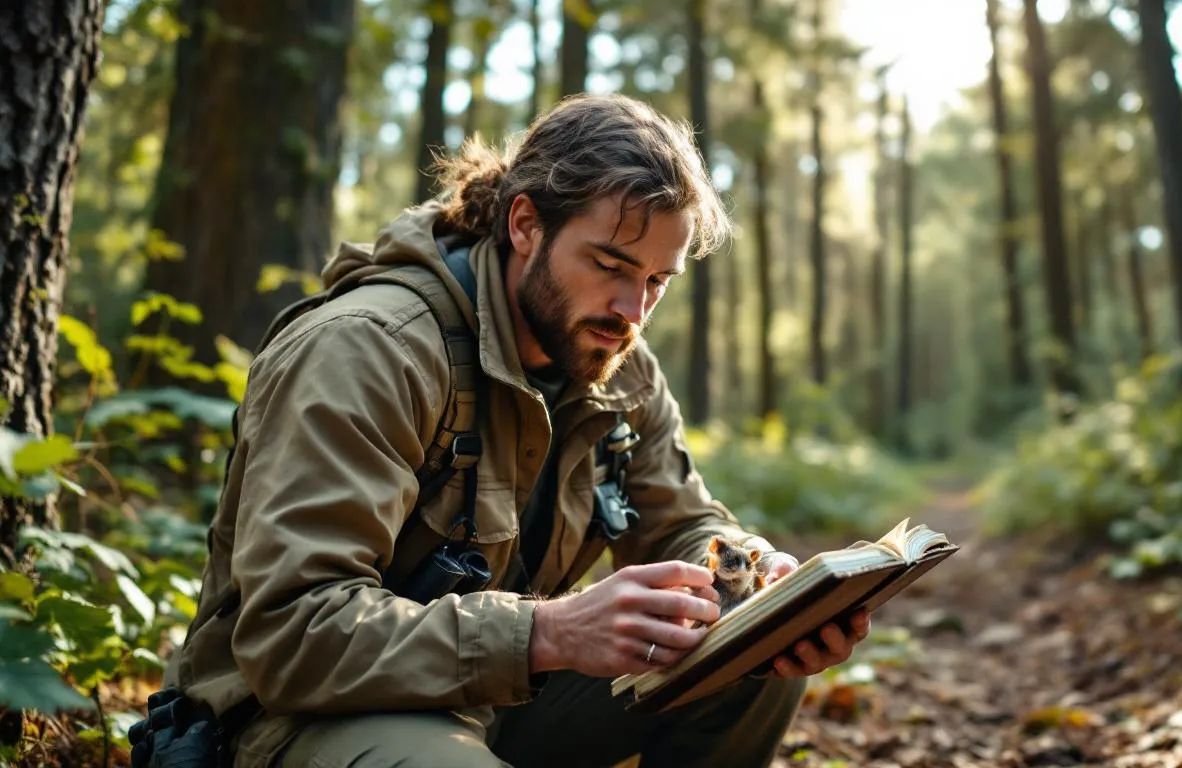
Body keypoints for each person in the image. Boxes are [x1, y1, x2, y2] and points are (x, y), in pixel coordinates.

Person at [159, 93, 871, 768]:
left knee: (747, 658)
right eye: (610, 264)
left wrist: (758, 581)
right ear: (525, 224)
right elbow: (293, 636)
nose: (633, 309)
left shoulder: (617, 364)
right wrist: (550, 632)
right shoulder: (369, 350)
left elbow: (682, 525)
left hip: (492, 698)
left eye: (659, 280)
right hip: (299, 716)